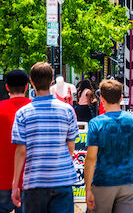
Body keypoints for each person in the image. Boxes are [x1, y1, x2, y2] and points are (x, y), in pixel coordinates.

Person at [11, 62, 79, 213]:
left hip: (35, 181)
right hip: (62, 179)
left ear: (32, 82)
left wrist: (15, 184)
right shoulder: (67, 110)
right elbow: (70, 146)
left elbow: (21, 151)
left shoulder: (23, 113)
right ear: (51, 80)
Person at [84, 80, 133, 213]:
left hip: (103, 182)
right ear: (120, 98)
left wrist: (88, 188)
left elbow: (90, 158)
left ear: (101, 98)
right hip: (128, 182)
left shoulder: (96, 124)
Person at [0, 70, 31, 213]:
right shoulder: (35, 109)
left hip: (2, 179)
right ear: (26, 87)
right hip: (30, 180)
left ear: (7, 87)